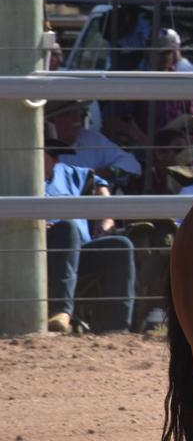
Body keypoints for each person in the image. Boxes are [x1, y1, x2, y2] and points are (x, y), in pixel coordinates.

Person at [43, 124, 136, 333]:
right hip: (37, 253)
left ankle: (115, 327)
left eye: (57, 154)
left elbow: (98, 183)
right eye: (51, 154)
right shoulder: (13, 179)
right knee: (66, 228)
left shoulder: (69, 173)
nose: (56, 159)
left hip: (78, 251)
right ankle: (61, 310)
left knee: (120, 246)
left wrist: (107, 218)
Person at [46, 98, 141, 190]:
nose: (76, 119)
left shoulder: (92, 139)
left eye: (79, 112)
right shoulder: (42, 147)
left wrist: (108, 172)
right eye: (68, 114)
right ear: (52, 120)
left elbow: (133, 165)